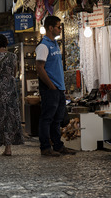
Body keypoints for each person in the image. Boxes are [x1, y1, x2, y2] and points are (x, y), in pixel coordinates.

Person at [35, 15, 76, 156]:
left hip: (59, 88)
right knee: (47, 119)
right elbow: (40, 68)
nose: (60, 29)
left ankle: (58, 145)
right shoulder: (43, 46)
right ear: (50, 28)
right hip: (50, 89)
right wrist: (51, 86)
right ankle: (45, 147)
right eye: (58, 27)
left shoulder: (55, 44)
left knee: (57, 119)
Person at [0, 34, 24, 156]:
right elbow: (14, 72)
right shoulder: (12, 56)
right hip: (10, 87)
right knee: (9, 115)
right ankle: (8, 148)